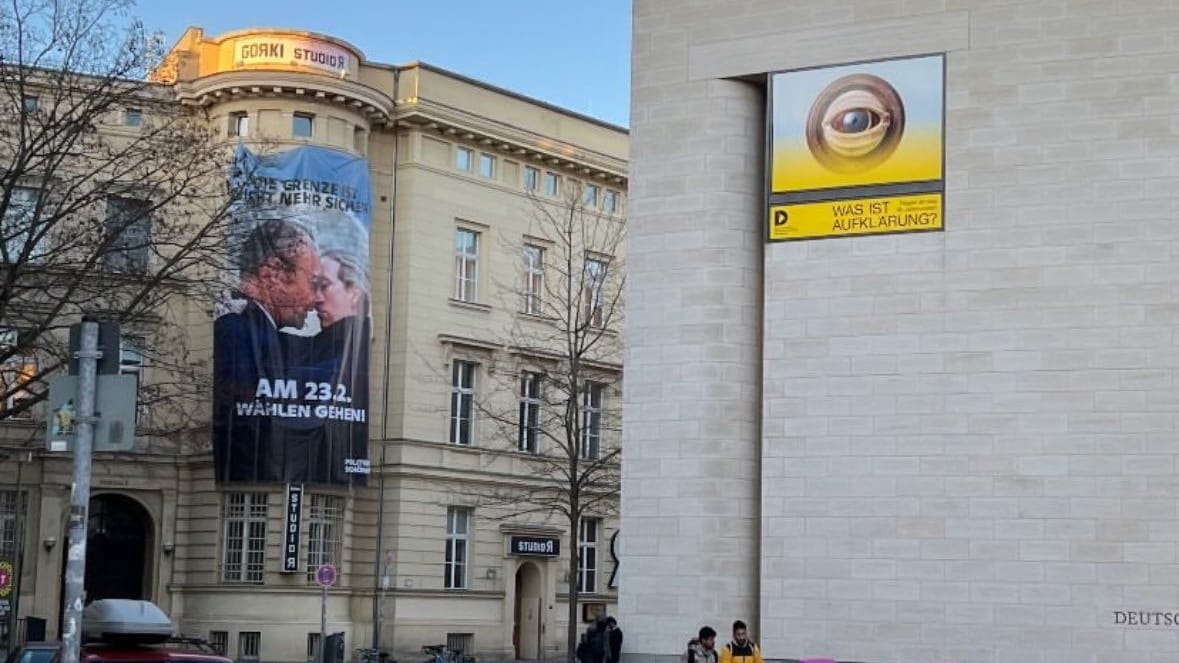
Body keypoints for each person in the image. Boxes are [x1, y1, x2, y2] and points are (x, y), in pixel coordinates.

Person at [213, 218, 324, 483]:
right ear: (273, 273)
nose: (316, 298)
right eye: (313, 282)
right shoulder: (238, 333)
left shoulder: (252, 327)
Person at [305, 249, 371, 484]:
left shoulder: (354, 347)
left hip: (330, 457)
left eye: (324, 286)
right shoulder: (327, 342)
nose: (316, 299)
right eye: (314, 288)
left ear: (354, 293)